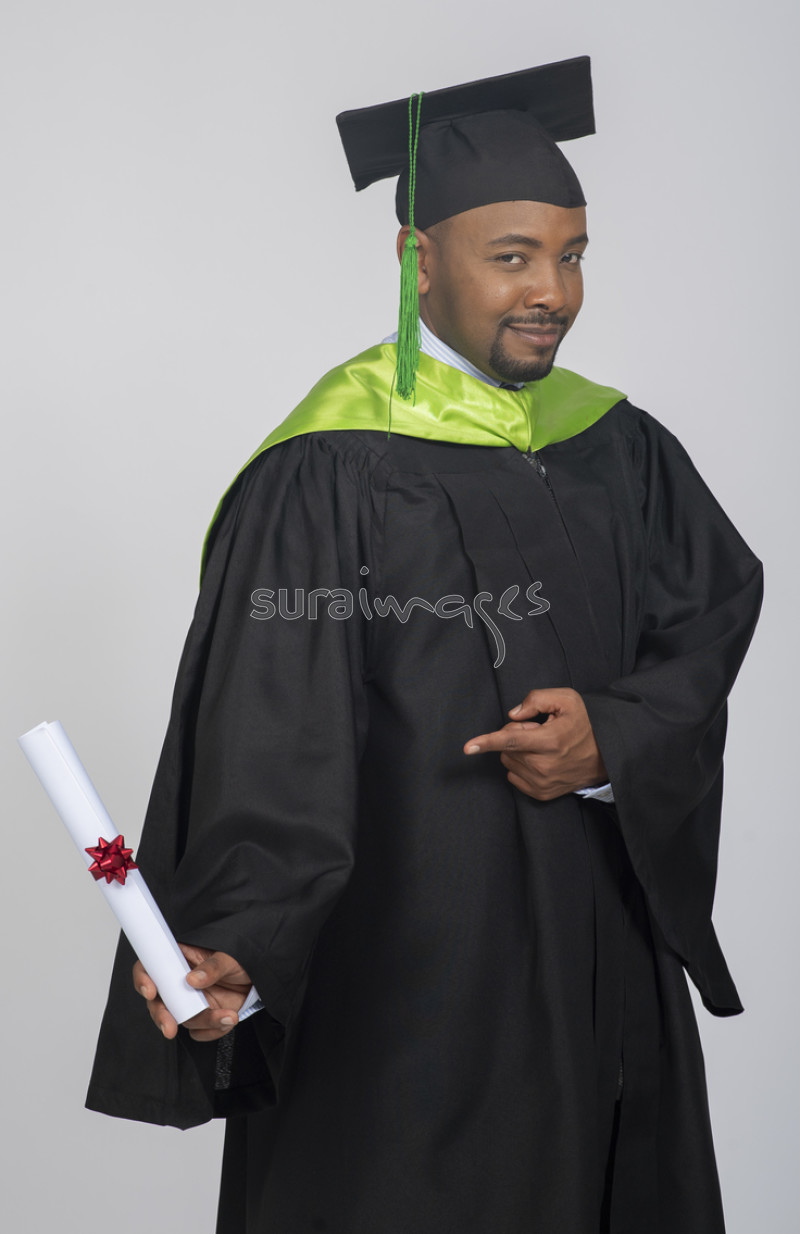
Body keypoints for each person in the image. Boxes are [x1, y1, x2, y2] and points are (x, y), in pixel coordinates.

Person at [86, 58, 763, 1233]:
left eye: (572, 254)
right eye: (512, 256)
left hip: (603, 982)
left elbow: (706, 618)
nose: (551, 290)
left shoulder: (619, 448)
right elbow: (269, 738)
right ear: (416, 261)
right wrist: (239, 940)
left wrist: (616, 739)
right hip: (410, 1006)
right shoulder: (325, 469)